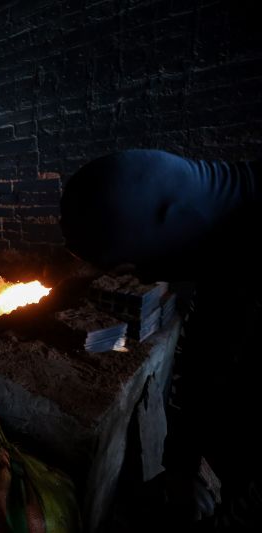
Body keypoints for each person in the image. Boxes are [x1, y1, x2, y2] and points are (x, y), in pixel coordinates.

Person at [60, 149, 261, 531]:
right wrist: (180, 466)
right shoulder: (228, 248)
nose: (141, 278)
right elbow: (205, 353)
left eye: (133, 267)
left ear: (170, 225)